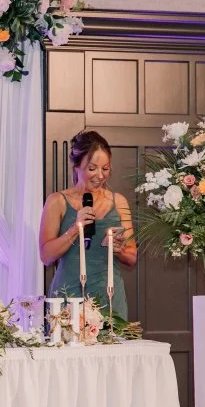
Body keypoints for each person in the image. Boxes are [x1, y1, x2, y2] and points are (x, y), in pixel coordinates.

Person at [39, 131, 137, 318]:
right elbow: (46, 256)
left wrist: (118, 249)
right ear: (77, 166)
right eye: (92, 168)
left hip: (109, 297)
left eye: (105, 168)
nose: (100, 175)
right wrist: (75, 229)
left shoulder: (119, 201)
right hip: (69, 295)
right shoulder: (57, 201)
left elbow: (132, 257)